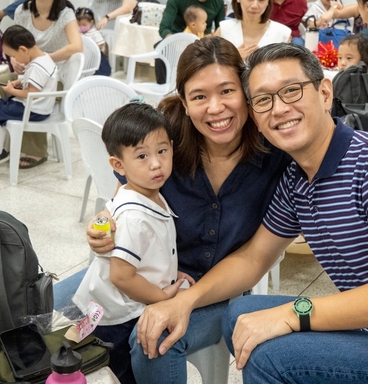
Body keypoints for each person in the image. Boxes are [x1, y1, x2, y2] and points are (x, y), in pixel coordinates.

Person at [135, 42, 368, 383]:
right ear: (255, 117)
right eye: (262, 100)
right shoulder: (296, 178)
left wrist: (294, 313)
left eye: (291, 91)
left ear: (325, 93)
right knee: (239, 315)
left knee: (273, 355)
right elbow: (253, 257)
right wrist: (185, 301)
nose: (278, 109)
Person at [79, 36, 291, 383]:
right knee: (58, 308)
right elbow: (127, 192)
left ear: (246, 92)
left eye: (227, 91)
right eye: (199, 96)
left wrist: (185, 300)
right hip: (145, 276)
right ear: (185, 101)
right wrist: (102, 223)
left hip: (219, 291)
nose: (215, 108)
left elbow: (255, 260)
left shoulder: (273, 153)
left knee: (155, 340)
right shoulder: (165, 139)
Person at [73, 102, 195, 384]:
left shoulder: (148, 192)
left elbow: (146, 254)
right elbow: (121, 276)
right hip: (116, 316)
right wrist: (162, 297)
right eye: (142, 156)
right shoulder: (134, 216)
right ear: (118, 165)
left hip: (113, 304)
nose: (156, 163)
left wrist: (168, 273)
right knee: (120, 374)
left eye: (162, 151)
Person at [0, 0, 82, 170]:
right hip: (29, 69)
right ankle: (6, 145)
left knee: (30, 98)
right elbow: (14, 42)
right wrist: (15, 60)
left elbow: (76, 47)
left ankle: (35, 150)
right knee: (6, 85)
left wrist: (40, 61)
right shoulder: (23, 10)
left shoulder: (65, 12)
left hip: (52, 74)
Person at [0, 25, 57, 165]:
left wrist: (11, 91)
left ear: (23, 50)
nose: (13, 59)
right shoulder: (44, 59)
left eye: (13, 56)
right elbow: (35, 83)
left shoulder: (37, 67)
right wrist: (19, 82)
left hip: (32, 110)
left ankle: (2, 152)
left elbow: (32, 93)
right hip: (37, 108)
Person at [155, 0, 224, 83]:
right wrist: (173, 41)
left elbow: (220, 29)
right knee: (161, 47)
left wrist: (213, 36)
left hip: (204, 43)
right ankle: (164, 88)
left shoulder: (218, 2)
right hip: (176, 41)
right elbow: (164, 28)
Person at [215, 0, 291, 60]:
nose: (254, 5)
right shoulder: (223, 29)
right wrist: (232, 58)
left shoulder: (282, 34)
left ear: (268, 2)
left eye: (261, 0)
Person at [75, 7, 111, 76]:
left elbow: (101, 44)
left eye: (84, 25)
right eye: (79, 25)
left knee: (99, 72)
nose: (81, 27)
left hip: (93, 57)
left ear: (91, 22)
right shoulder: (78, 32)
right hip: (82, 55)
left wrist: (92, 50)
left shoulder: (95, 33)